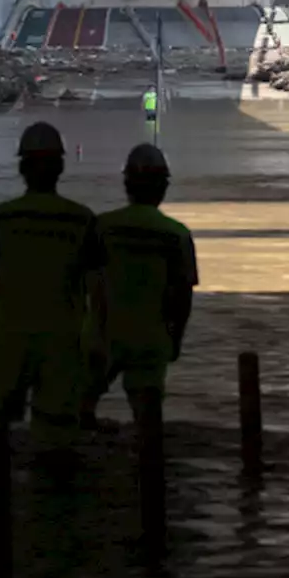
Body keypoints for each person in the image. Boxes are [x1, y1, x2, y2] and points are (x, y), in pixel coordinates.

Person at [0, 121, 103, 461]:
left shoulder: (3, 217)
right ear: (61, 167)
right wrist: (98, 342)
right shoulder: (82, 219)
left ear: (21, 168)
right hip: (63, 340)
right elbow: (99, 288)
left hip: (10, 337)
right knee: (57, 438)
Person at [80, 143, 198, 430]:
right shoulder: (177, 234)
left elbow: (81, 281)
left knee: (78, 415)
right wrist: (175, 339)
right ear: (164, 187)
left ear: (126, 184)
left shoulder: (100, 226)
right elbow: (182, 296)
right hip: (151, 338)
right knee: (148, 426)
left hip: (102, 334)